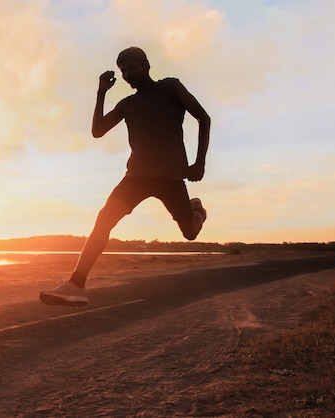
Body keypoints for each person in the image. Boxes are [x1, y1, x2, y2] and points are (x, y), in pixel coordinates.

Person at [40, 46, 210, 307]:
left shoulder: (171, 88)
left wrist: (199, 163)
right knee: (104, 218)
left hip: (171, 177)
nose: (127, 75)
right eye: (123, 71)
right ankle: (76, 284)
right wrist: (100, 93)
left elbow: (203, 118)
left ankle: (196, 210)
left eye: (132, 68)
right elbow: (98, 131)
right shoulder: (127, 104)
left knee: (190, 233)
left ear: (146, 65)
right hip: (137, 177)